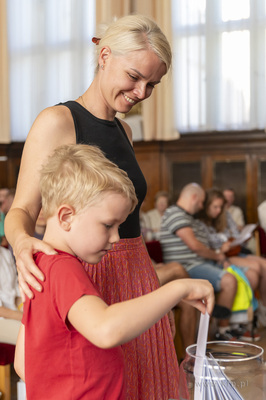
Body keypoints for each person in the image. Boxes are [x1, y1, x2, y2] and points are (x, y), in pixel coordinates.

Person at [5, 14, 180, 399]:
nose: (141, 91)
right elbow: (20, 211)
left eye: (152, 84)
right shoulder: (57, 121)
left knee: (145, 383)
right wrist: (21, 245)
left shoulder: (125, 130)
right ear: (104, 56)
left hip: (135, 274)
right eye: (134, 76)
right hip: (88, 276)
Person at [14, 144, 214, 400]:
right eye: (108, 225)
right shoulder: (63, 268)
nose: (116, 237)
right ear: (66, 217)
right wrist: (178, 288)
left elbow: (23, 362)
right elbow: (106, 328)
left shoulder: (40, 265)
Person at [160, 183, 240, 341]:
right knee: (229, 280)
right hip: (189, 266)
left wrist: (221, 258)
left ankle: (214, 332)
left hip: (201, 264)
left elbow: (206, 245)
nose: (202, 206)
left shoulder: (190, 218)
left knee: (240, 272)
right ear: (194, 198)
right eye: (202, 202)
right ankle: (221, 333)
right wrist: (218, 257)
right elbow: (195, 246)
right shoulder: (175, 213)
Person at [197, 187, 266, 330]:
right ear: (206, 205)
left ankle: (258, 312)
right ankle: (239, 319)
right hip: (219, 256)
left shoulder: (223, 215)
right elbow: (209, 246)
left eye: (221, 207)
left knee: (263, 266)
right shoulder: (201, 222)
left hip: (232, 251)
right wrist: (223, 244)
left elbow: (234, 232)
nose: (218, 210)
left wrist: (228, 240)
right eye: (215, 206)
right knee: (255, 271)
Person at [0, 245, 22, 345]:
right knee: (30, 333)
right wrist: (24, 316)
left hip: (13, 307)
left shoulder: (5, 253)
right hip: (2, 318)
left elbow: (15, 290)